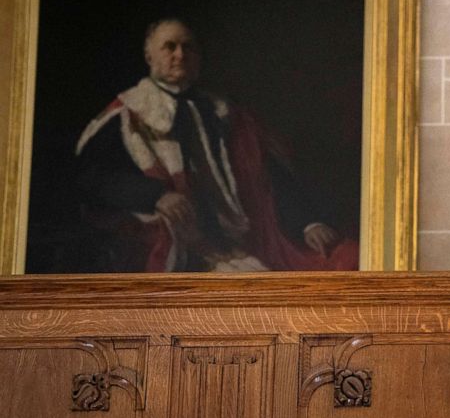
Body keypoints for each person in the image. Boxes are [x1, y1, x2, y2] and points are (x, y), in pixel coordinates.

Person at [75, 18, 358, 272]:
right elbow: (92, 177)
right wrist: (156, 196)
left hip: (248, 237)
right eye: (169, 47)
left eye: (189, 47)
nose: (180, 55)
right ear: (149, 56)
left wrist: (307, 223)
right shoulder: (127, 113)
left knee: (346, 260)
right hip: (175, 244)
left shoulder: (224, 113)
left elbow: (269, 177)